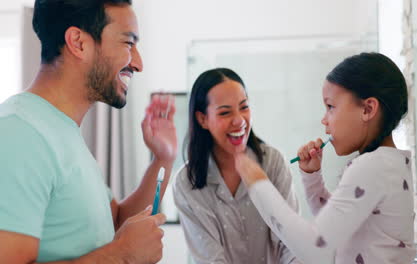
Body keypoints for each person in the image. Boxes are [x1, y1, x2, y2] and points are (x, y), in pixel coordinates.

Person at [0, 0, 177, 263]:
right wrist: (121, 254)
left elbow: (114, 223)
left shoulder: (63, 132)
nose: (138, 64)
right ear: (78, 42)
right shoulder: (19, 133)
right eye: (128, 43)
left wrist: (163, 157)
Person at [233, 53, 415, 264]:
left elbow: (316, 249)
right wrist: (312, 177)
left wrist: (259, 185)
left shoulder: (372, 166)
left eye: (330, 107)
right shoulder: (391, 163)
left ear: (367, 109)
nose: (324, 120)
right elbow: (339, 228)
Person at [173, 68, 302, 264]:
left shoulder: (273, 163)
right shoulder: (186, 183)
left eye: (244, 107)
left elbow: (291, 245)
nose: (239, 120)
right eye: (225, 112)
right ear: (202, 119)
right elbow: (211, 259)